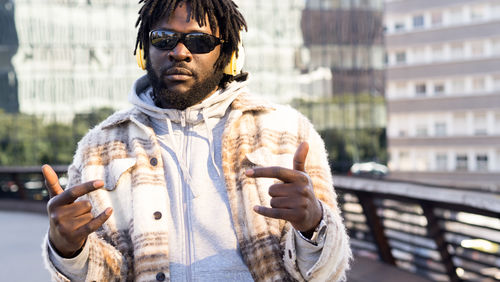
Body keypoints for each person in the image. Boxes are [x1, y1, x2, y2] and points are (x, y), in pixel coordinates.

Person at [41, 0, 351, 281]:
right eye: (163, 39)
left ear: (228, 55)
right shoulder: (99, 148)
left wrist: (313, 226)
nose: (179, 52)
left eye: (198, 41)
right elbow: (103, 275)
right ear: (143, 52)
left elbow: (328, 271)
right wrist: (69, 249)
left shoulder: (289, 132)